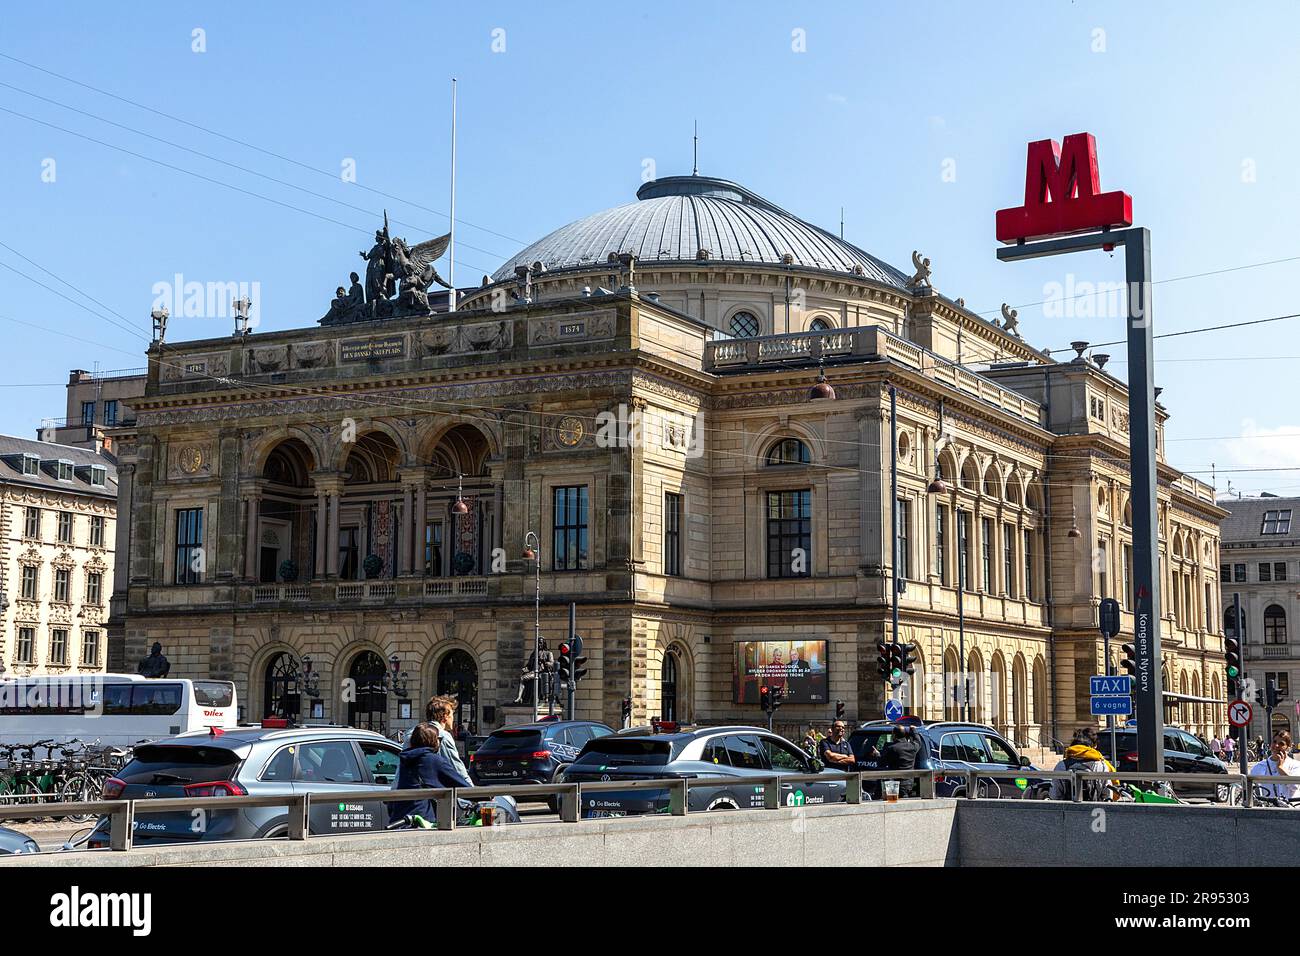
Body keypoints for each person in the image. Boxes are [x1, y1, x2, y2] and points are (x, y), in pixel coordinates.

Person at [388, 721, 472, 826]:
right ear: (432, 741)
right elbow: (460, 784)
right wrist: (484, 796)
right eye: (439, 739)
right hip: (420, 821)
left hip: (400, 818)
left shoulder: (407, 758)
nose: (439, 743)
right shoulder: (431, 760)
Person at [1048, 729, 1112, 801]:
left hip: (1068, 810)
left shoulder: (1061, 766)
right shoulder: (1101, 766)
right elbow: (1108, 794)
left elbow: (1054, 795)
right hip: (1095, 810)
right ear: (1092, 747)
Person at [1249, 730, 1300, 803]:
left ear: (1288, 748)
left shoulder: (1295, 765)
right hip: (1268, 810)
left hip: (1291, 809)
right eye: (1274, 742)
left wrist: (1280, 768)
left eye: (1281, 744)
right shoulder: (1260, 766)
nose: (1276, 746)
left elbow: (1295, 786)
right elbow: (1251, 789)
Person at [881, 723, 922, 797]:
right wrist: (913, 730)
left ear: (894, 735)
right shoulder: (912, 747)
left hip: (894, 783)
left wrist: (878, 755)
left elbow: (882, 762)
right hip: (909, 783)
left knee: (893, 803)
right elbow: (918, 741)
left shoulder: (891, 748)